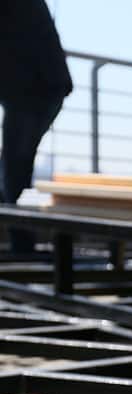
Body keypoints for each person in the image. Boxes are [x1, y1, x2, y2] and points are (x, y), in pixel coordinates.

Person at [0, 0, 73, 254]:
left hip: (35, 90)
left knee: (14, 170)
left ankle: (22, 247)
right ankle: (20, 242)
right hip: (37, 88)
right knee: (12, 169)